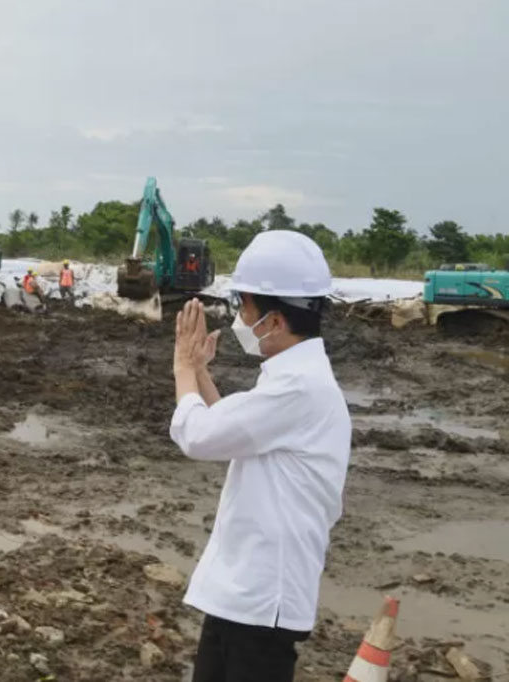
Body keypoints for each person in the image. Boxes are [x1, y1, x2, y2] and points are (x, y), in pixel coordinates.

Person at [169, 230, 350, 682]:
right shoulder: (291, 380)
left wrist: (181, 366)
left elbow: (198, 436)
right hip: (242, 595)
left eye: (242, 307)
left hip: (262, 602)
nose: (238, 318)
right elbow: (234, 426)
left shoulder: (300, 387)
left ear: (274, 319)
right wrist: (200, 374)